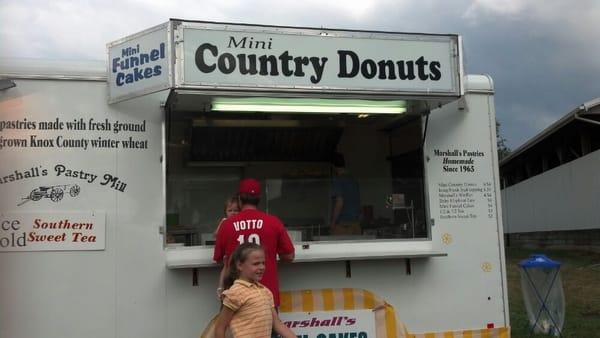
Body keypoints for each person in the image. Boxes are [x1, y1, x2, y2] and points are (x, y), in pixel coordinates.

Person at [213, 178, 295, 307]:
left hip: (235, 298)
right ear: (259, 199)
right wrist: (270, 260)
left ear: (239, 199)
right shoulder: (273, 222)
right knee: (269, 327)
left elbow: (218, 259)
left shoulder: (226, 225)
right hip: (266, 296)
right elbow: (289, 256)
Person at [214, 243, 296, 338]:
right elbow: (220, 327)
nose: (261, 267)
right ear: (240, 265)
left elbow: (278, 324)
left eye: (263, 263)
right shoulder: (235, 292)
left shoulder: (265, 291)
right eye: (256, 264)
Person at [330, 153, 361, 235]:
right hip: (356, 224)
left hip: (343, 225)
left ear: (333, 166)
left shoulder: (338, 180)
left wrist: (333, 222)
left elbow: (339, 202)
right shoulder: (354, 181)